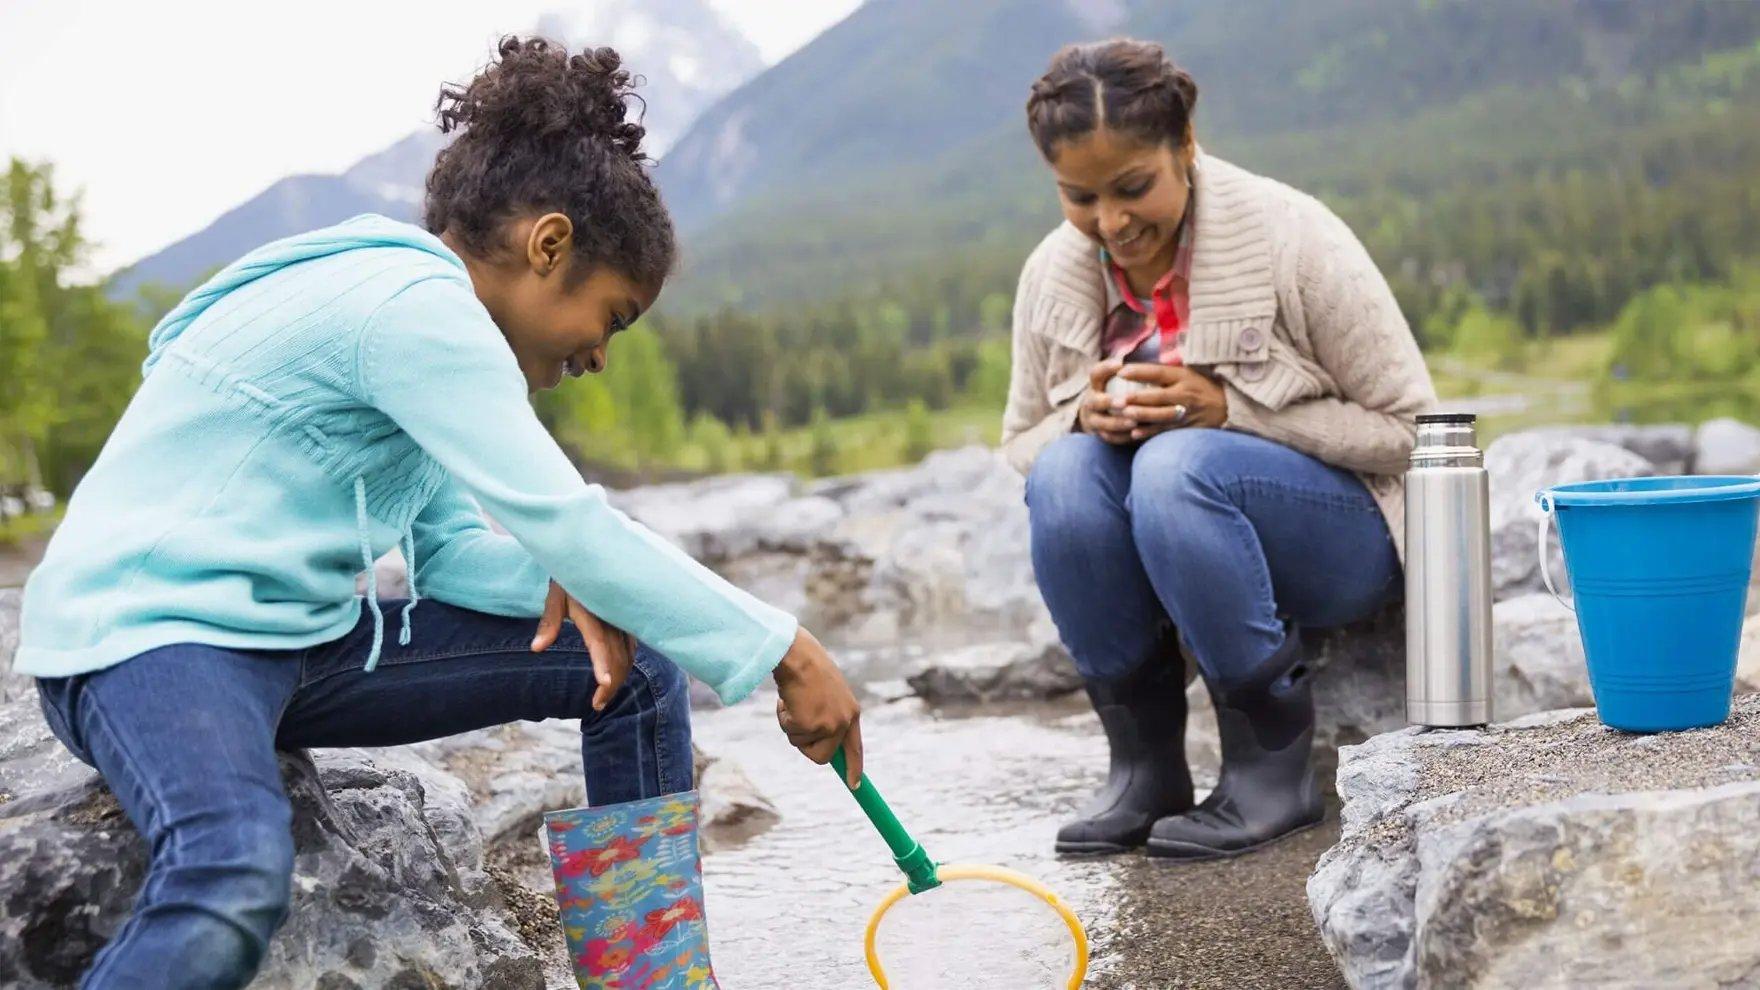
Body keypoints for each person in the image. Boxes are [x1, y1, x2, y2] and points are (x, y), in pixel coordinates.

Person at [15, 38, 862, 988]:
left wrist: (569, 581)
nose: (599, 358)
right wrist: (790, 652)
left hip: (293, 647)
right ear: (550, 247)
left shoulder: (428, 327)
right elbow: (570, 523)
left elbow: (450, 550)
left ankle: (652, 979)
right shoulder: (412, 308)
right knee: (230, 868)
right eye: (613, 319)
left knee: (631, 668)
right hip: (147, 641)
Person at [1004, 39, 1436, 860]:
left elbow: (1411, 431)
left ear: (1187, 145)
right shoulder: (1052, 274)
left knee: (1176, 464)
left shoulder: (1292, 235)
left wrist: (1231, 409)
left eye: (1133, 188)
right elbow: (1019, 441)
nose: (1111, 223)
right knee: (1063, 471)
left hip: (1342, 545)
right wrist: (1083, 420)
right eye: (1078, 196)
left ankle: (1273, 772)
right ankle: (1145, 769)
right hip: (1174, 551)